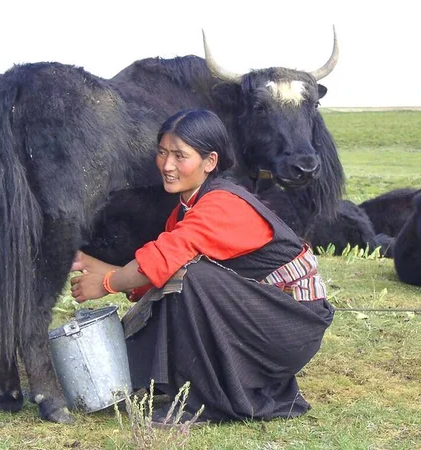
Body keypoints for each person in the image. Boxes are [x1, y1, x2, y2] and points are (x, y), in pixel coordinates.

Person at [70, 109, 334, 425]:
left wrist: (107, 283)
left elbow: (162, 262)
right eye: (162, 153)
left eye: (180, 156)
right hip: (265, 316)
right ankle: (172, 380)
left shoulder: (220, 205)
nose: (167, 165)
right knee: (183, 275)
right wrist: (98, 266)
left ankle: (206, 403)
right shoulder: (188, 208)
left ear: (209, 161)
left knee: (192, 276)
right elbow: (157, 270)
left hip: (291, 326)